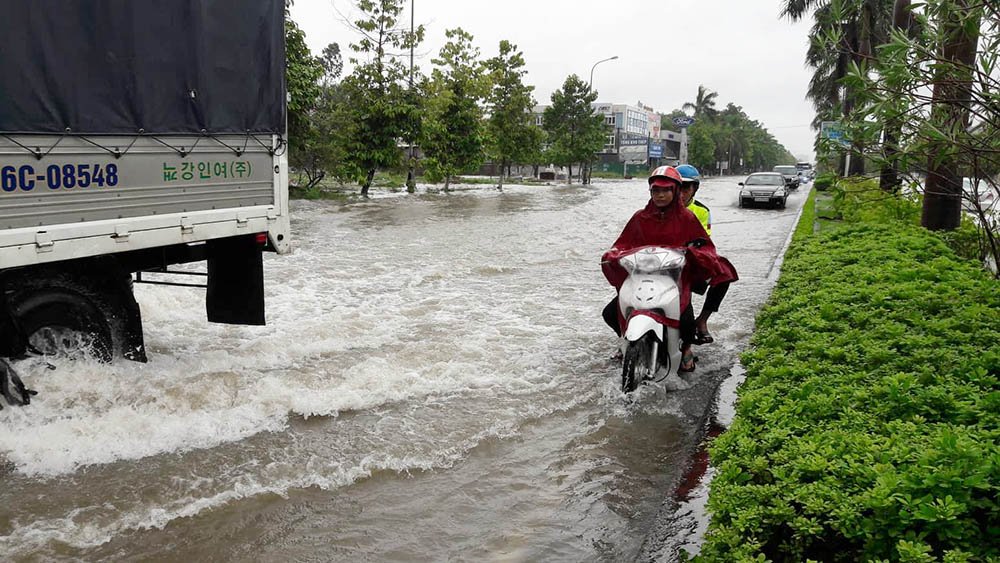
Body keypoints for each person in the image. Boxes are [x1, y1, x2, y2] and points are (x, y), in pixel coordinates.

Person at [601, 165, 738, 373]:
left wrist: (695, 253)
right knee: (611, 313)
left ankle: (685, 349)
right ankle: (625, 341)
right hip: (642, 276)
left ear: (675, 192)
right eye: (656, 190)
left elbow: (705, 244)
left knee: (685, 321)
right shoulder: (640, 217)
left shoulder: (688, 218)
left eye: (666, 190)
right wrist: (614, 253)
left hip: (676, 278)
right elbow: (623, 243)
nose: (660, 195)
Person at [675, 164, 734, 345]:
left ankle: (702, 320)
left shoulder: (701, 211)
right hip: (659, 260)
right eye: (677, 188)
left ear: (694, 189)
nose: (681, 194)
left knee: (724, 272)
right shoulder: (656, 208)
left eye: (686, 188)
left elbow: (703, 241)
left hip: (689, 260)